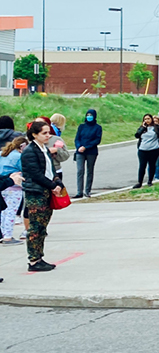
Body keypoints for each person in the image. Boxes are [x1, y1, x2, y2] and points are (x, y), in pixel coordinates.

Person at [21, 119, 67, 272]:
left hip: (46, 191)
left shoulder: (44, 149)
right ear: (34, 135)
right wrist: (52, 185)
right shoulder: (30, 151)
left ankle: (39, 256)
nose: (48, 136)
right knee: (35, 226)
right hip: (36, 193)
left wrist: (58, 182)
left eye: (49, 132)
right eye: (44, 133)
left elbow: (51, 170)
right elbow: (35, 174)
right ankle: (33, 260)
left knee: (43, 227)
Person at [1, 135, 28, 244]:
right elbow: (25, 169)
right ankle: (8, 235)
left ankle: (2, 234)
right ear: (22, 146)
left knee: (3, 211)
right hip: (15, 186)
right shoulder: (19, 156)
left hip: (3, 185)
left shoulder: (3, 154)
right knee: (11, 211)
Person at [73, 107, 102, 198]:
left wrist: (86, 147)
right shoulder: (82, 126)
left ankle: (87, 190)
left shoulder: (97, 127)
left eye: (91, 115)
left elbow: (97, 140)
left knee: (90, 171)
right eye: (88, 115)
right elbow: (77, 138)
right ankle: (79, 191)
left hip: (91, 151)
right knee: (80, 171)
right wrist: (79, 147)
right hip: (80, 151)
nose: (89, 117)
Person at [134, 113, 159, 188]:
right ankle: (139, 182)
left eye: (148, 119)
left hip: (153, 149)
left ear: (151, 119)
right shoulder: (142, 128)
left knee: (152, 165)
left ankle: (150, 181)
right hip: (142, 149)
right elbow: (137, 135)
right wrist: (143, 128)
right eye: (145, 119)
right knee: (142, 166)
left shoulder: (156, 127)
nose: (147, 120)